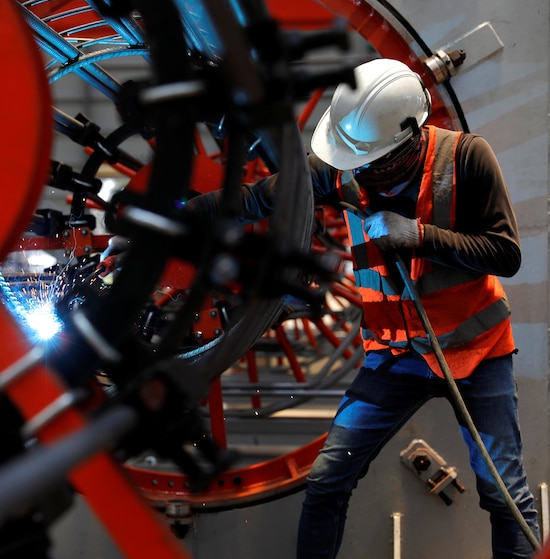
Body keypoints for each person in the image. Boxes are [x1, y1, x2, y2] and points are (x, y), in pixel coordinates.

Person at [188, 58, 540, 558]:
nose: (356, 172)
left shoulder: (466, 158)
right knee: (328, 483)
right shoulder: (342, 171)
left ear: (409, 141)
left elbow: (506, 253)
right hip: (396, 359)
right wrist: (161, 224)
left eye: (372, 162)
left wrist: (419, 236)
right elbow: (252, 201)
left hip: (478, 354)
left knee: (504, 495)